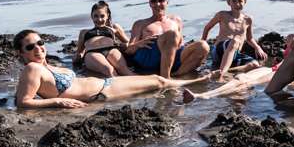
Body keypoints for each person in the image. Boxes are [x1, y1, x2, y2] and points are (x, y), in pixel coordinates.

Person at [14, 29, 212, 108]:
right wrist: (59, 101)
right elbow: (24, 102)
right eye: (30, 47)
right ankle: (196, 82)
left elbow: (21, 95)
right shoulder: (32, 68)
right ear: (22, 53)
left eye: (39, 42)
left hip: (107, 83)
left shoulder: (45, 66)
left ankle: (189, 83)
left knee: (155, 79)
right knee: (158, 81)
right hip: (102, 92)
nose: (38, 48)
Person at [184, 6, 294, 103]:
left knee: (247, 82)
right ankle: (205, 95)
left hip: (289, 74)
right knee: (241, 78)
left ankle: (205, 96)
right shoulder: (293, 37)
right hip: (274, 69)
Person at [125, 0, 209, 78]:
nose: (157, 4)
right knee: (171, 34)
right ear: (149, 4)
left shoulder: (176, 20)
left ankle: (176, 75)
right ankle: (166, 77)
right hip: (150, 57)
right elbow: (129, 51)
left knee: (203, 46)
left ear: (167, 2)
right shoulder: (140, 24)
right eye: (153, 1)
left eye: (161, 0)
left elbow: (181, 43)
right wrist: (139, 44)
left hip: (173, 57)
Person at [201, 0, 267, 78]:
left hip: (235, 54)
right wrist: (203, 48)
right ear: (228, 2)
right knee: (235, 40)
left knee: (255, 65)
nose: (237, 4)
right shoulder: (222, 15)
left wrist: (258, 47)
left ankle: (224, 70)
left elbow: (249, 38)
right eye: (234, 1)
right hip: (219, 50)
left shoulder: (248, 20)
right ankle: (221, 74)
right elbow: (207, 28)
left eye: (240, 1)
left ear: (245, 2)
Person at [73, 0, 134, 76]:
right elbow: (79, 52)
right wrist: (77, 59)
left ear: (107, 15)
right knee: (109, 70)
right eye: (96, 16)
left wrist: (121, 44)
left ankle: (145, 84)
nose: (99, 19)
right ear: (91, 16)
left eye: (102, 16)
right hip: (92, 53)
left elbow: (129, 43)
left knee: (124, 70)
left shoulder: (114, 28)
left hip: (111, 50)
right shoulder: (84, 32)